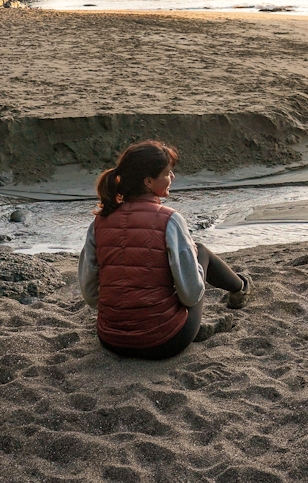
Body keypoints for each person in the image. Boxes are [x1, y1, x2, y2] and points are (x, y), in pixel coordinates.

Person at [79, 140, 252, 359]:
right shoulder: (170, 219)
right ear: (149, 182)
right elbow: (190, 295)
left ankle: (239, 287)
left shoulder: (99, 222)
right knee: (201, 252)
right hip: (162, 342)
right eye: (168, 173)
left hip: (111, 340)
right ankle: (240, 288)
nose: (172, 178)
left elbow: (90, 293)